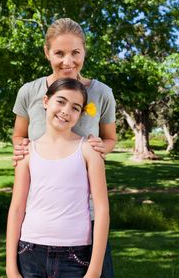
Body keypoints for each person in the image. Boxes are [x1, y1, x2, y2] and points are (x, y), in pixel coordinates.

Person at [12, 18, 116, 277]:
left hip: (85, 217)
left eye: (75, 53)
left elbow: (110, 139)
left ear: (84, 52)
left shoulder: (102, 93)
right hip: (41, 215)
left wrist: (98, 149)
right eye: (59, 53)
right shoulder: (29, 92)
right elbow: (19, 136)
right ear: (47, 52)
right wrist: (20, 148)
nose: (67, 61)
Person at [6, 78, 110, 278]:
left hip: (75, 254)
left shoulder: (89, 151)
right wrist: (11, 268)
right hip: (29, 251)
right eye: (60, 101)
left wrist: (95, 270)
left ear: (80, 115)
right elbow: (17, 209)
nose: (65, 111)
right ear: (46, 101)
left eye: (75, 107)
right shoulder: (26, 152)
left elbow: (102, 209)